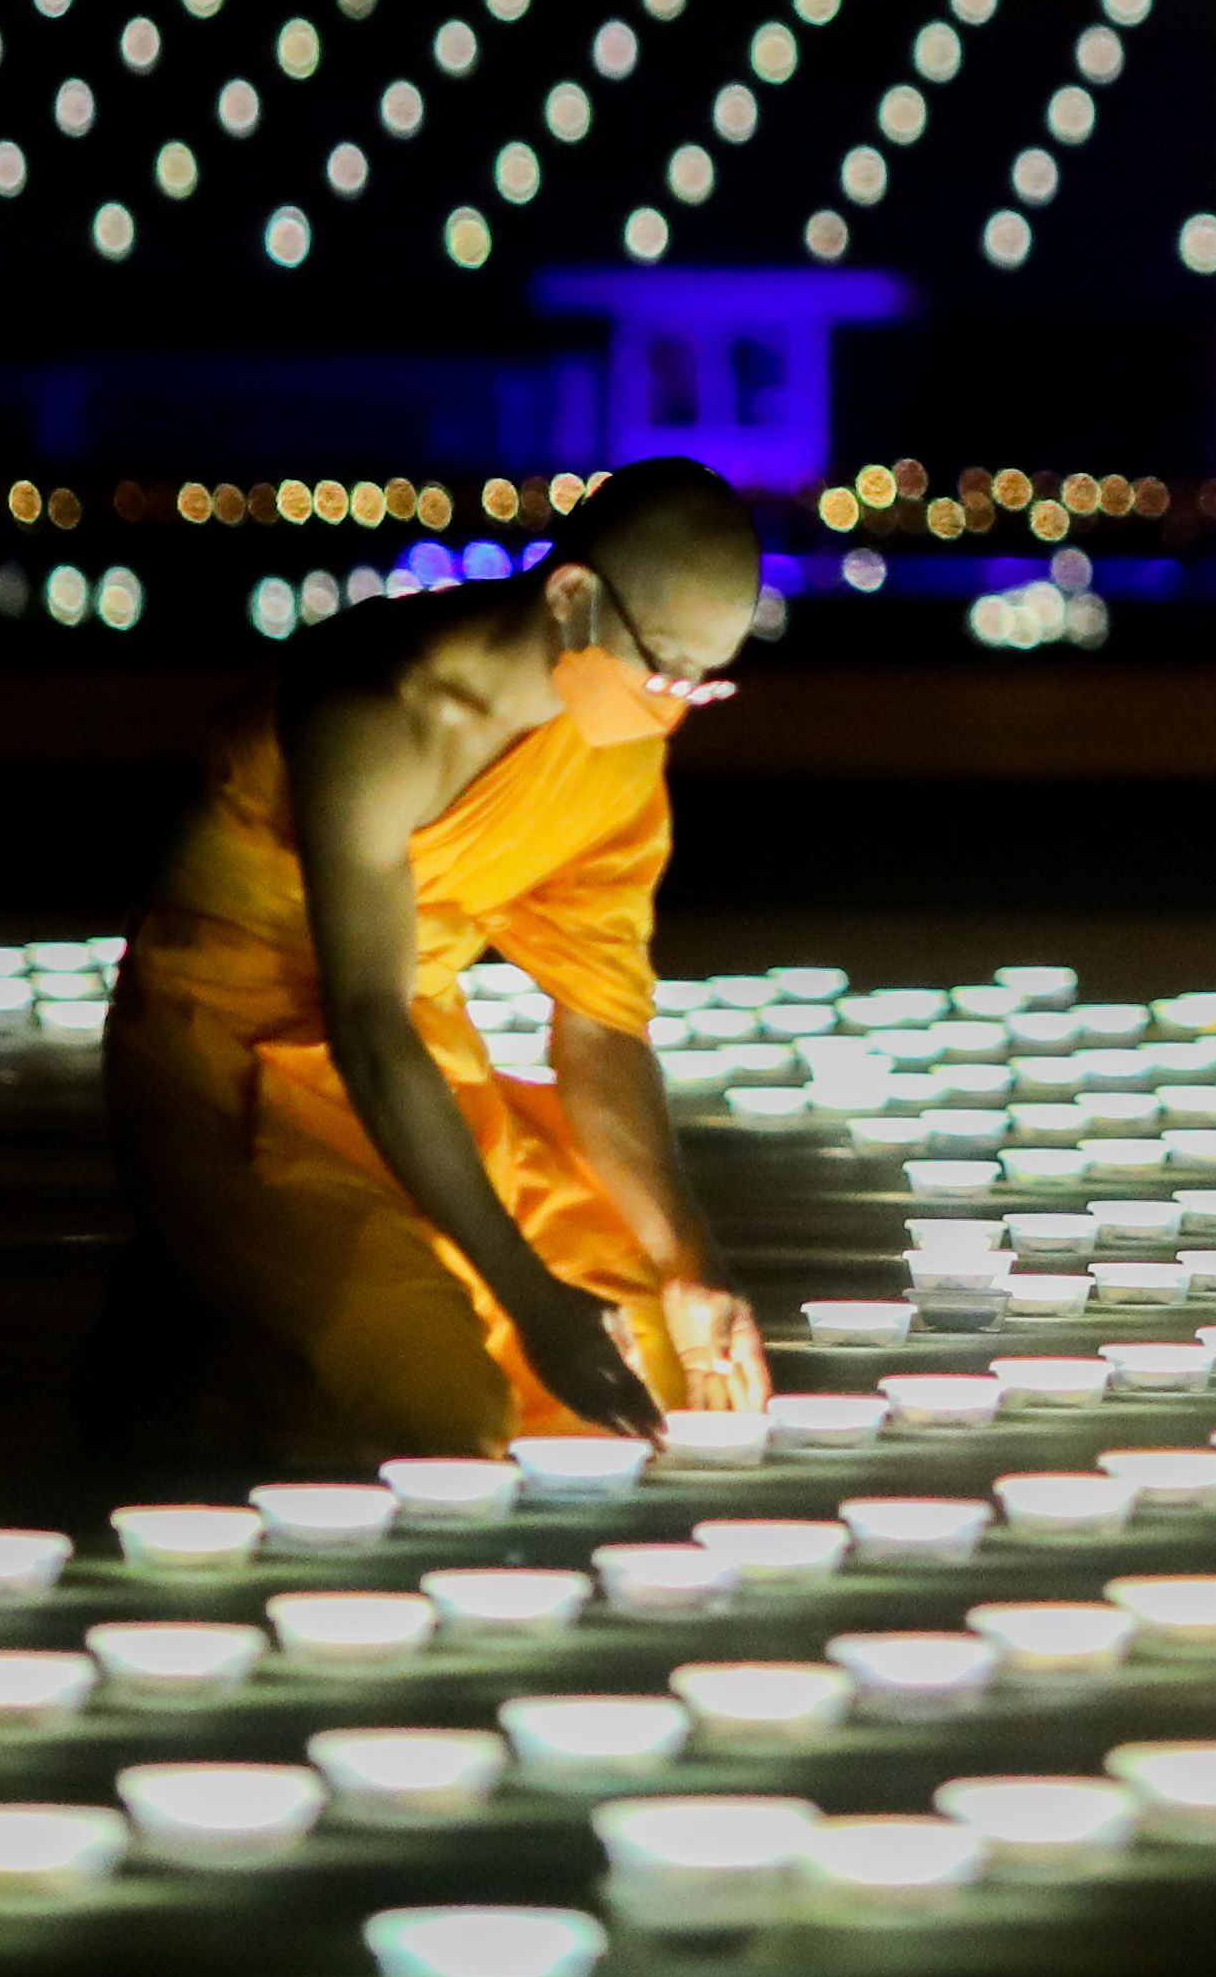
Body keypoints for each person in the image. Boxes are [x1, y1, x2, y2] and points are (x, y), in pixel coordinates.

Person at [101, 456, 782, 1459]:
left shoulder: (613, 740)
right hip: (228, 1055)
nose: (670, 706)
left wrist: (693, 1262)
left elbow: (601, 1027)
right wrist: (528, 1299)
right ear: (572, 597)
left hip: (416, 1059)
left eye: (702, 682)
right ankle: (200, 1331)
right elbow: (366, 1026)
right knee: (441, 1410)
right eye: (663, 666)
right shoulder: (376, 709)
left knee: (660, 1361)